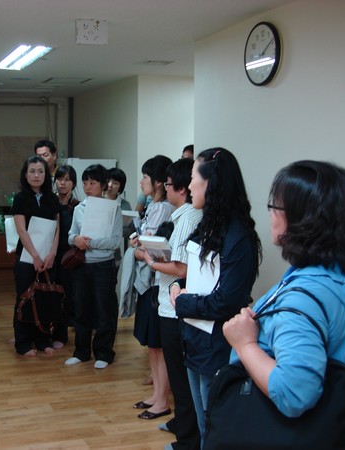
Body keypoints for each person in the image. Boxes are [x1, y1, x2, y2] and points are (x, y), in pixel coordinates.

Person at [223, 161, 345, 418]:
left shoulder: (303, 300)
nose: (270, 214)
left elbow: (293, 395)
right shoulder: (342, 279)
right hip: (339, 429)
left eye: (275, 206)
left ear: (300, 219)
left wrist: (245, 344)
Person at [170, 147, 261, 445]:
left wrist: (183, 302)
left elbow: (227, 300)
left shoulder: (239, 237)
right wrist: (177, 286)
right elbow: (197, 278)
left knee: (216, 428)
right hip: (194, 340)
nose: (189, 185)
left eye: (193, 177)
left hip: (217, 348)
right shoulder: (207, 226)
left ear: (211, 183)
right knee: (203, 425)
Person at [140, 159, 201, 449]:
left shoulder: (188, 218)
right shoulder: (184, 215)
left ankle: (187, 437)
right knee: (180, 376)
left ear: (181, 188)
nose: (164, 188)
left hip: (174, 303)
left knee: (181, 376)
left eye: (167, 184)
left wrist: (151, 260)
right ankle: (181, 424)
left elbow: (181, 267)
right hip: (171, 300)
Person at [65, 164, 123, 369]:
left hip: (103, 265)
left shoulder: (113, 209)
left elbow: (115, 241)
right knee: (81, 309)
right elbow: (71, 235)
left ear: (103, 184)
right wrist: (76, 240)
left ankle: (104, 353)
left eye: (93, 183)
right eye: (85, 183)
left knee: (105, 310)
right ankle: (81, 352)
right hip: (81, 265)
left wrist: (90, 242)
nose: (88, 187)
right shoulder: (79, 209)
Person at [131, 155, 174, 420]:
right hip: (151, 281)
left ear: (158, 181)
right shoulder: (154, 207)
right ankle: (157, 395)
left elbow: (147, 249)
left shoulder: (162, 208)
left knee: (158, 344)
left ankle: (161, 400)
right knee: (153, 345)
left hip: (157, 282)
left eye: (146, 177)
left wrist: (138, 247)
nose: (142, 181)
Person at [12, 155, 60, 357]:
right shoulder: (20, 198)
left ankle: (43, 339)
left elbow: (57, 228)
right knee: (24, 297)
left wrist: (52, 253)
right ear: (25, 174)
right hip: (27, 257)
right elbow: (21, 231)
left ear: (46, 174)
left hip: (48, 257)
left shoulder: (52, 198)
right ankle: (23, 342)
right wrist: (35, 256)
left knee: (44, 298)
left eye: (40, 171)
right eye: (32, 171)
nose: (36, 175)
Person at [51, 165, 79, 347]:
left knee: (66, 295)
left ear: (73, 183)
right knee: (50, 294)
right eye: (60, 179)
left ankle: (61, 334)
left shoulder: (77, 206)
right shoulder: (50, 202)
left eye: (67, 179)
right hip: (50, 254)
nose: (63, 183)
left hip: (69, 256)